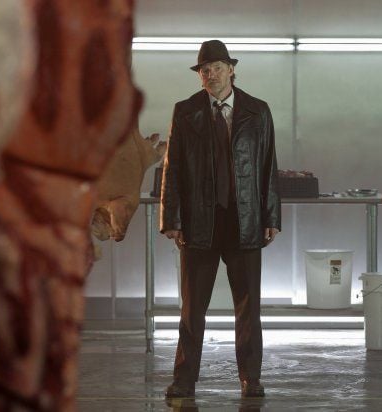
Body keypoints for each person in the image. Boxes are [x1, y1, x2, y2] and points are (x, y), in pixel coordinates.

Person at [160, 39, 281, 399]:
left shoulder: (258, 111)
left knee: (249, 306)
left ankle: (251, 378)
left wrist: (271, 215)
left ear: (231, 70)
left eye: (216, 67)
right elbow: (172, 168)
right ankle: (184, 379)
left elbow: (268, 167)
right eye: (204, 70)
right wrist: (171, 219)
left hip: (245, 220)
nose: (210, 74)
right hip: (199, 222)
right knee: (192, 308)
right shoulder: (185, 111)